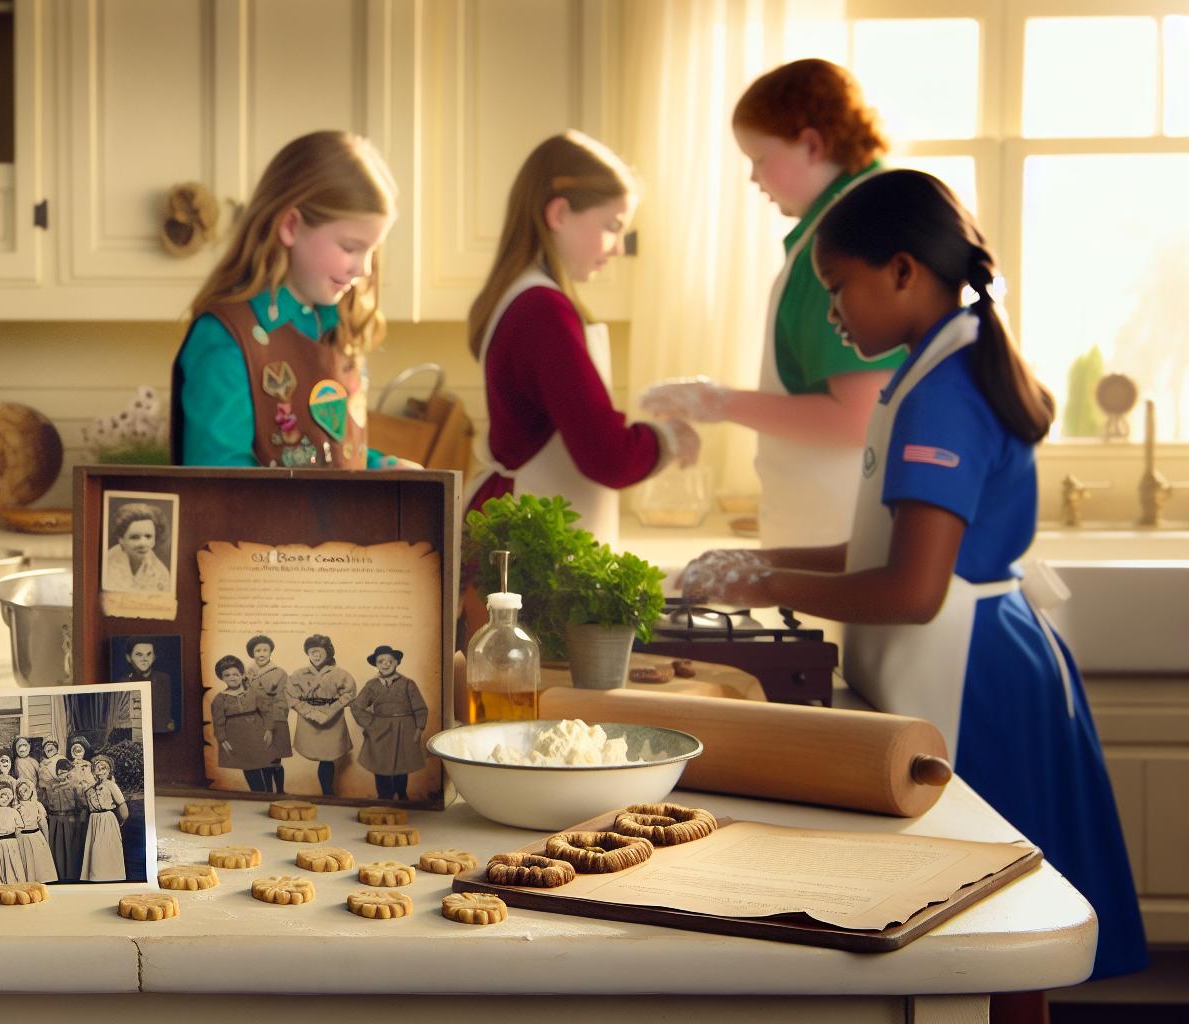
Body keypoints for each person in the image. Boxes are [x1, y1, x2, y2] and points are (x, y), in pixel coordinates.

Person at [678, 169, 1145, 980]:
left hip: (972, 677)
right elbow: (879, 553)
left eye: (839, 288)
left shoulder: (944, 395)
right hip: (968, 655)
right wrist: (759, 561)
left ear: (902, 270)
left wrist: (766, 583)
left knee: (990, 925)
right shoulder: (928, 373)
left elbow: (911, 589)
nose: (832, 312)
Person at [643, 59, 905, 550]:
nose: (753, 178)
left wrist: (721, 403)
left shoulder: (851, 237)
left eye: (760, 158)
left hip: (842, 539)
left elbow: (858, 416)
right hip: (836, 536)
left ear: (812, 144)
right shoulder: (848, 223)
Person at [466, 131, 696, 542]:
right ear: (559, 214)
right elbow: (607, 457)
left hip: (521, 521)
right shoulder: (543, 310)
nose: (618, 248)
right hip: (530, 533)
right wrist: (670, 438)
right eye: (611, 225)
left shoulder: (524, 297)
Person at [170, 131, 411, 469]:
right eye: (350, 247)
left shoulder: (339, 327)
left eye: (373, 250)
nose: (364, 268)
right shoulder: (225, 338)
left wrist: (382, 468)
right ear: (291, 226)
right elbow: (219, 481)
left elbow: (329, 453)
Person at [349, 645, 428, 801]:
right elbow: (356, 706)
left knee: (402, 763)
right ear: (376, 664)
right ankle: (384, 796)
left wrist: (419, 727)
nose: (385, 664)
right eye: (381, 661)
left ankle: (402, 795)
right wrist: (371, 724)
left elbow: (420, 707)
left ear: (397, 662)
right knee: (380, 763)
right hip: (380, 730)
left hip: (405, 729)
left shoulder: (408, 684)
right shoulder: (372, 685)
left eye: (389, 661)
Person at [285, 634, 356, 796]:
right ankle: (327, 793)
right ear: (307, 654)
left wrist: (328, 712)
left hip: (332, 720)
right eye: (312, 652)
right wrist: (309, 712)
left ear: (328, 653)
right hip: (308, 720)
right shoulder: (298, 675)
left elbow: (348, 695)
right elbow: (291, 696)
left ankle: (328, 793)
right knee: (320, 756)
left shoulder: (340, 674)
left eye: (320, 652)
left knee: (328, 757)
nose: (316, 655)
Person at [209, 655, 275, 792]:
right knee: (249, 767)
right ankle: (258, 795)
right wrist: (222, 739)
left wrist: (269, 729)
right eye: (227, 675)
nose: (232, 677)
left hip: (257, 735)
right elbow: (218, 722)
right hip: (237, 738)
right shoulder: (219, 699)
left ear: (242, 674)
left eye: (235, 674)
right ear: (222, 677)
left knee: (264, 764)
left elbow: (266, 711)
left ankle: (269, 795)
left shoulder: (253, 692)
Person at [244, 634, 291, 793]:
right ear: (252, 653)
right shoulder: (246, 674)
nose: (262, 653)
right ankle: (267, 793)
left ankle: (280, 792)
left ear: (271, 652)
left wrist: (275, 722)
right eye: (258, 650)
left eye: (265, 650)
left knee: (275, 758)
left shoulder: (279, 673)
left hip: (274, 717)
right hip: (254, 720)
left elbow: (282, 699)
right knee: (261, 758)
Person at [79, 754, 128, 881]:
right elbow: (85, 808)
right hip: (94, 821)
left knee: (106, 849)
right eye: (98, 768)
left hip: (107, 820)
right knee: (95, 851)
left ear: (109, 770)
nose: (100, 771)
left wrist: (120, 821)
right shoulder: (90, 789)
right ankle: (96, 877)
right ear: (94, 771)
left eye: (104, 768)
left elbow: (122, 807)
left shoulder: (111, 785)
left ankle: (111, 877)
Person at [102, 505, 171, 593]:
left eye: (148, 536)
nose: (143, 544)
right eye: (134, 537)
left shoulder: (161, 573)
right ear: (121, 540)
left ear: (154, 540)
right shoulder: (107, 564)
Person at [116, 636, 176, 731]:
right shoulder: (123, 683)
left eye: (148, 654)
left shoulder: (165, 680)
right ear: (129, 658)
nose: (144, 659)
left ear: (154, 657)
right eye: (139, 654)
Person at [40, 759, 84, 881]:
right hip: (55, 821)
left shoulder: (76, 786)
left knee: (72, 849)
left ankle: (73, 876)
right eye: (60, 771)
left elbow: (81, 804)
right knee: (57, 848)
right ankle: (58, 876)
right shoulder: (49, 787)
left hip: (70, 820)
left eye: (65, 771)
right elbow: (44, 804)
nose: (62, 774)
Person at [14, 777, 57, 884]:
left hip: (36, 836)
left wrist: (46, 841)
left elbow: (43, 824)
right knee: (26, 861)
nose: (23, 794)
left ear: (31, 790)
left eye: (25, 790)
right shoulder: (16, 808)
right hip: (22, 838)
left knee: (39, 861)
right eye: (20, 792)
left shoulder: (38, 805)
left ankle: (42, 881)